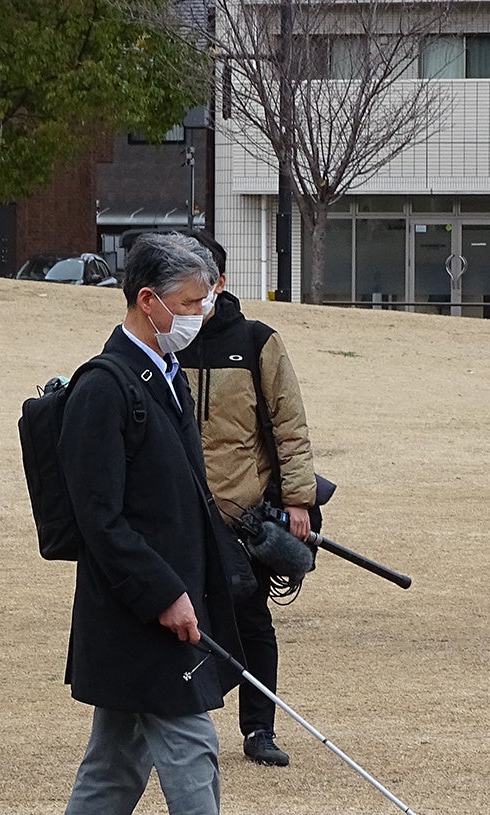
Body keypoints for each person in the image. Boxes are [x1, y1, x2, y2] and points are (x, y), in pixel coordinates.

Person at [32, 233, 308, 815]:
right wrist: (164, 594)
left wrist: (231, 572)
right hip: (136, 610)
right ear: (147, 301)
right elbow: (101, 518)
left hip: (163, 599)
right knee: (189, 745)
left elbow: (187, 497)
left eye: (208, 298)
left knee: (118, 756)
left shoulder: (161, 374)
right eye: (190, 302)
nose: (202, 312)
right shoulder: (105, 384)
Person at [176, 230, 319, 769]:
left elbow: (290, 426)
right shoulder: (163, 342)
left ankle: (259, 728)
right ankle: (177, 728)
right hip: (182, 515)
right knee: (179, 621)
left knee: (251, 620)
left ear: (222, 282)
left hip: (245, 515)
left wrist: (298, 500)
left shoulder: (259, 341)